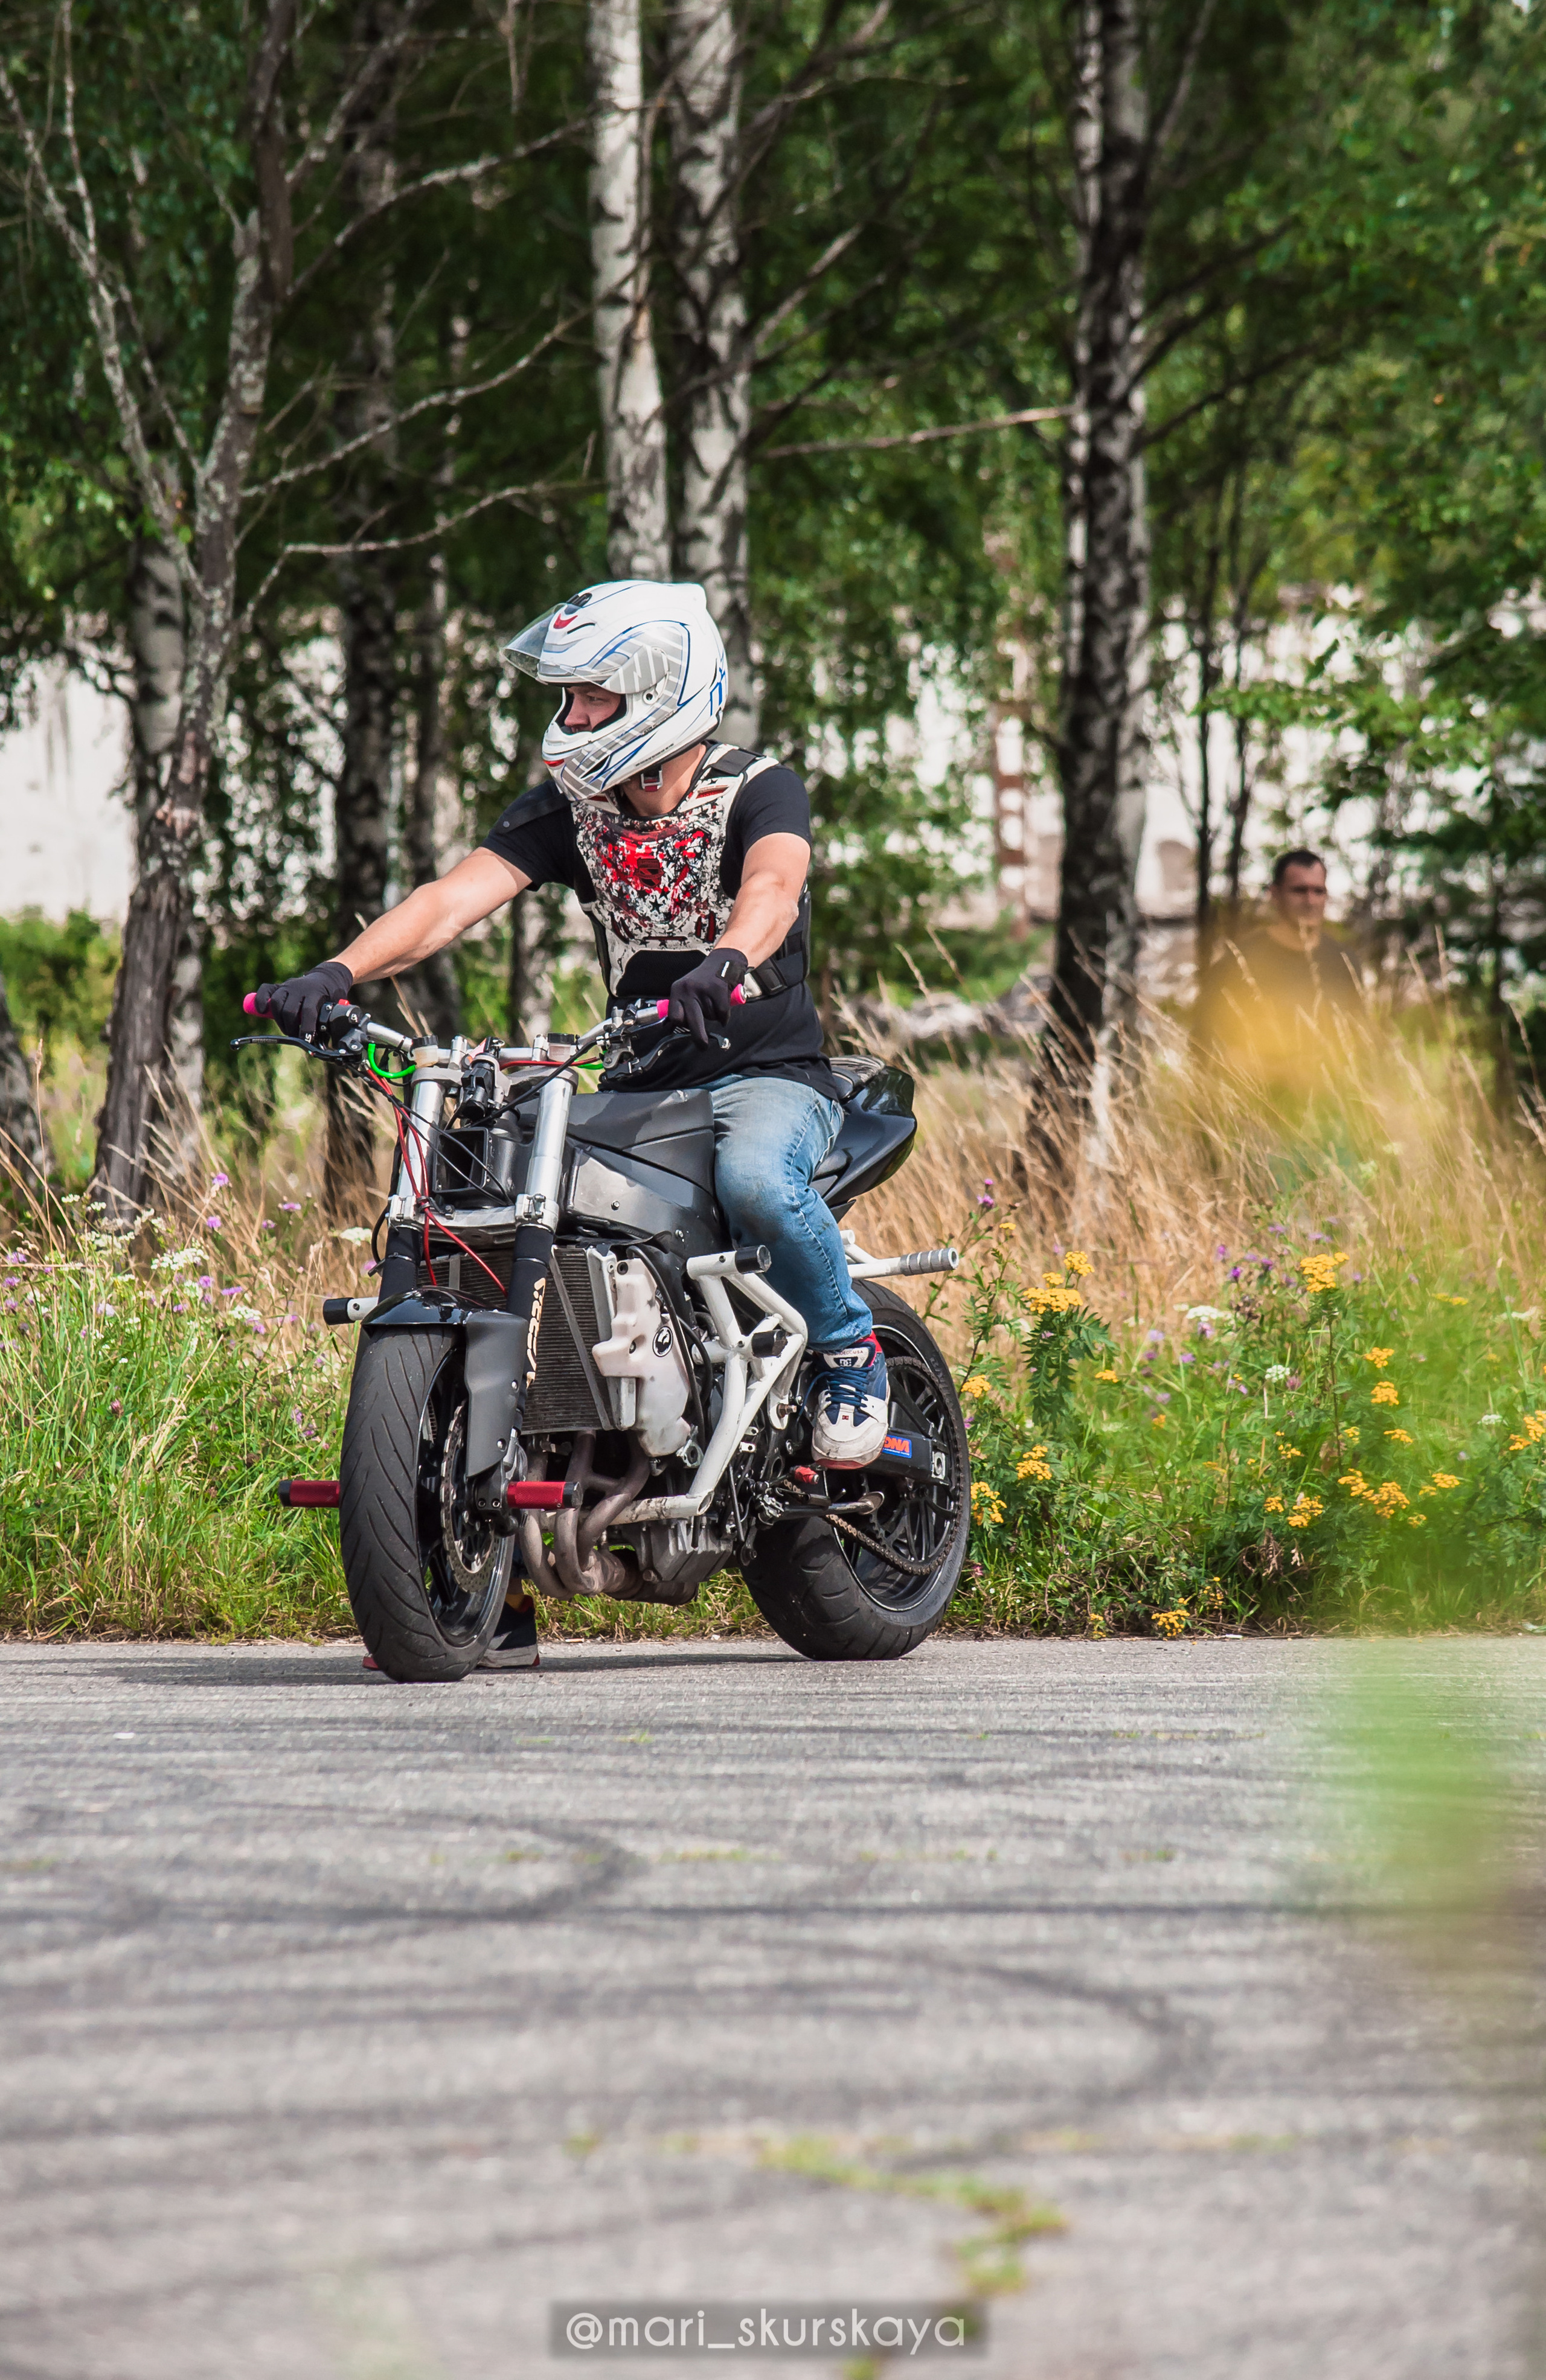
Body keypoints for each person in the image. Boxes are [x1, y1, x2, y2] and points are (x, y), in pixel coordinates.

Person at [249, 580, 890, 1674]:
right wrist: (338, 972)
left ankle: (848, 1351)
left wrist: (727, 961)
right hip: (636, 1083)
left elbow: (775, 888)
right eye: (571, 698)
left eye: (594, 699)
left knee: (756, 1180)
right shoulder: (573, 809)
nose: (573, 718)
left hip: (765, 1075)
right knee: (488, 1195)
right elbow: (453, 898)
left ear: (660, 694)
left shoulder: (757, 788)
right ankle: (488, 1578)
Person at [1195, 847, 1365, 1090]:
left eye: (1318, 891)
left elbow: (1361, 1044)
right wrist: (1281, 1074)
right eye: (1299, 891)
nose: (1310, 901)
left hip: (1333, 1107)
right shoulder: (1239, 962)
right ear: (1275, 895)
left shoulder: (1344, 961)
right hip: (1260, 1106)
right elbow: (1205, 1049)